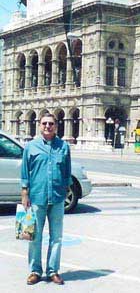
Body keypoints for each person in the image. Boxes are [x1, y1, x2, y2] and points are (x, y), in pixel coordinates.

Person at [21, 113, 72, 285]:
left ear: (56, 126)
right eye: (44, 123)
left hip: (57, 198)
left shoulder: (63, 146)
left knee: (56, 237)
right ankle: (35, 271)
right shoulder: (31, 147)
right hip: (37, 197)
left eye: (51, 123)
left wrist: (65, 190)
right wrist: (24, 194)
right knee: (34, 236)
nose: (48, 126)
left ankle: (53, 271)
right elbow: (25, 173)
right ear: (39, 125)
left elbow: (67, 173)